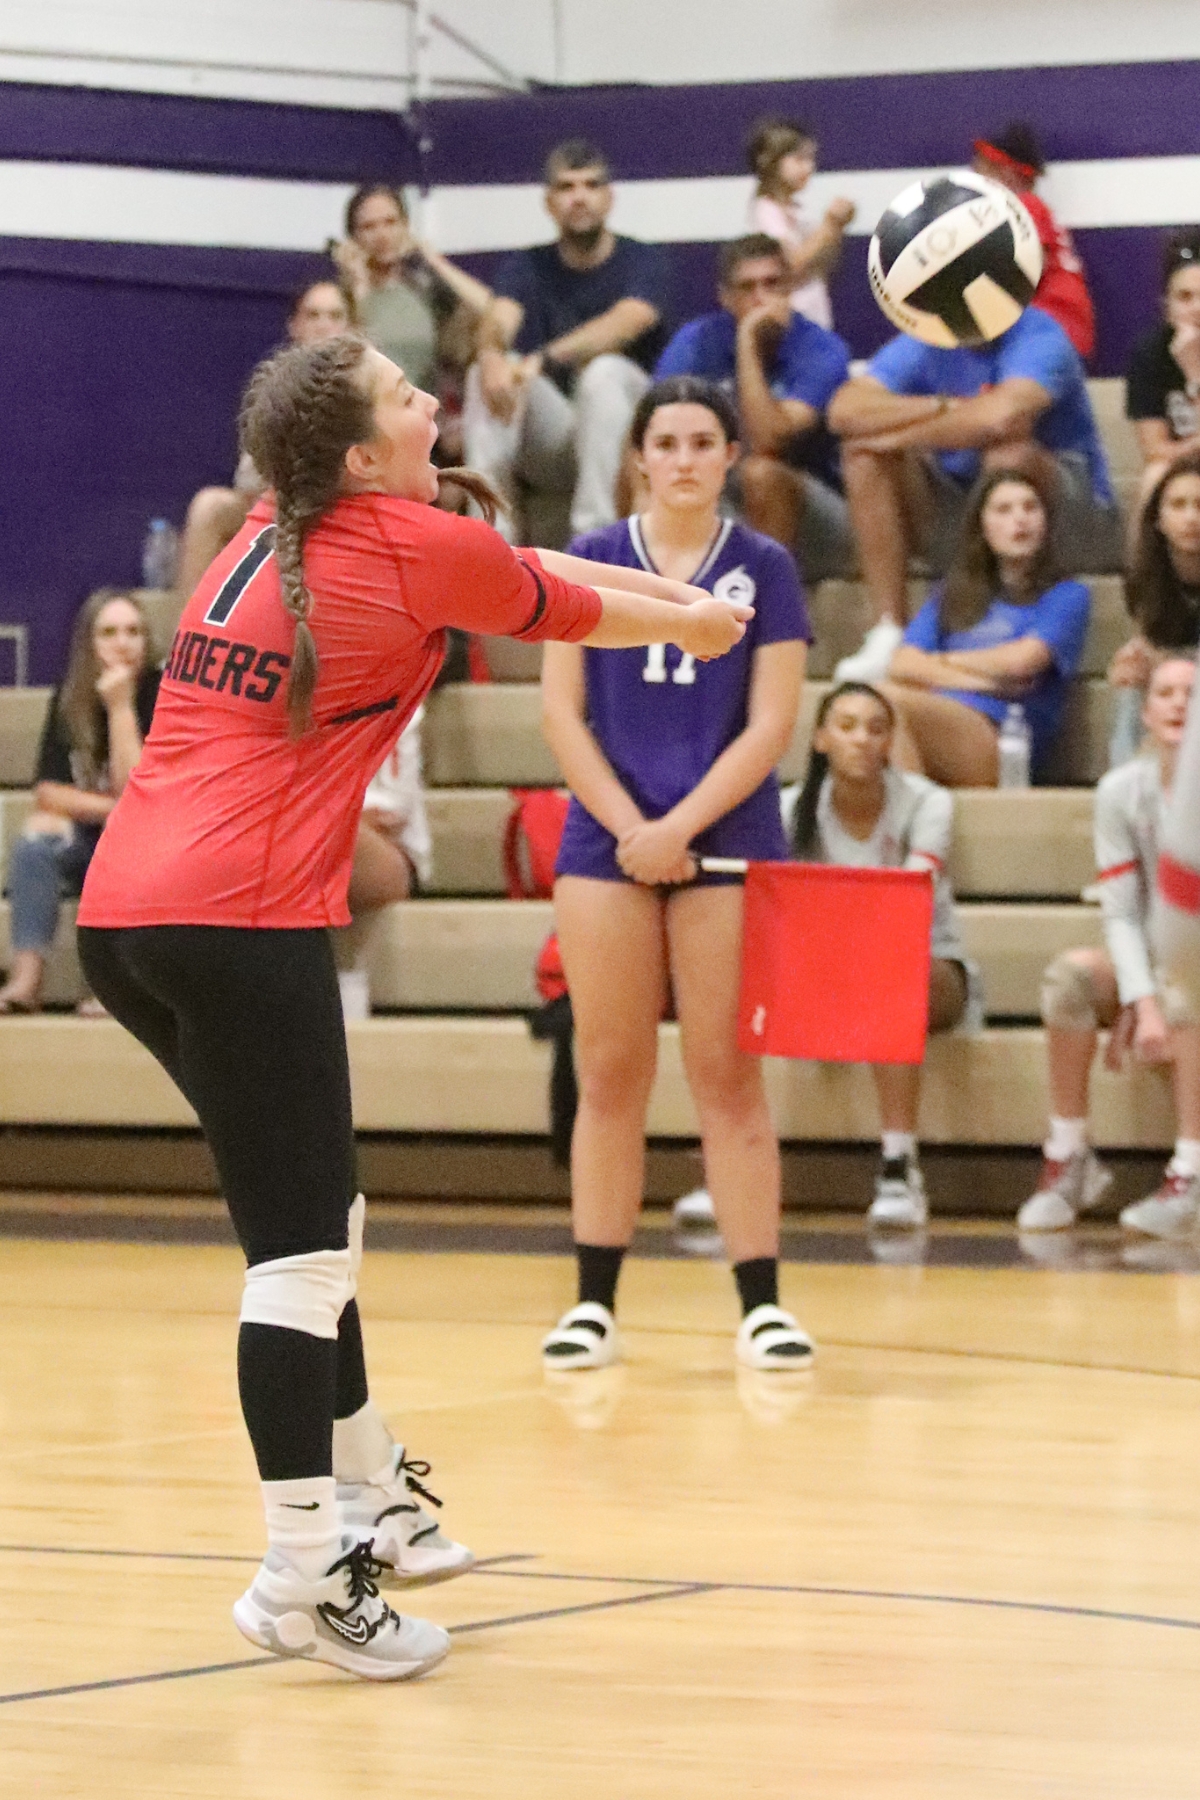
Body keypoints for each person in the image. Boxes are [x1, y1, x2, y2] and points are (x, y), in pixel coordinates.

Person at [74, 334, 750, 1681]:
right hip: (237, 918)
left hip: (126, 920)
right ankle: (302, 1578)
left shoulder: (272, 529)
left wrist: (684, 597)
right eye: (403, 395)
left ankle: (372, 1487)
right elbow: (563, 604)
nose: (430, 399)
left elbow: (524, 566)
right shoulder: (401, 543)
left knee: (313, 1223)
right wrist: (688, 623)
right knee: (299, 1258)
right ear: (361, 455)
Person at [539, 375, 813, 1374]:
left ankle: (761, 1306)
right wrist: (632, 830)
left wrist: (681, 827)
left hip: (726, 835)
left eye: (704, 441)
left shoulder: (766, 566)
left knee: (727, 1075)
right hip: (608, 841)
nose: (686, 458)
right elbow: (561, 712)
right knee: (610, 1071)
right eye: (667, 442)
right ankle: (593, 1304)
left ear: (731, 456)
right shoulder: (596, 558)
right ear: (639, 457)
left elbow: (773, 724)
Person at [827, 304, 1117, 682]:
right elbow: (843, 411)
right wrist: (945, 406)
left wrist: (898, 435)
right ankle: (888, 631)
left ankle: (1012, 607)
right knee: (864, 456)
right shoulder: (928, 338)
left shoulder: (1040, 335)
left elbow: (1001, 420)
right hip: (965, 497)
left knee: (1007, 453)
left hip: (1069, 510)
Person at [1019, 657, 1200, 1238]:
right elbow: (1120, 914)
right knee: (1069, 981)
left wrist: (1161, 990)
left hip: (1192, 966)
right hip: (1157, 960)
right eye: (1165, 693)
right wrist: (1142, 999)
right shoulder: (1121, 791)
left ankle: (1192, 1173)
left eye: (1191, 693)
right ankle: (1069, 1155)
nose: (1179, 703)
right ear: (1144, 712)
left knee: (1188, 995)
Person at [790, 683, 975, 1229]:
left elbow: (909, 904)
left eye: (876, 728)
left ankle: (899, 1166)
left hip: (930, 965)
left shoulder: (927, 802)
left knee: (892, 972)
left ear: (891, 741)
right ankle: (726, 1169)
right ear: (821, 739)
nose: (862, 739)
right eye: (847, 726)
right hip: (826, 975)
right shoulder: (790, 809)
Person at [464, 138, 669, 544]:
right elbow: (498, 320)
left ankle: (593, 542)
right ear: (549, 202)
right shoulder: (528, 265)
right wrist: (490, 357)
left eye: (592, 185)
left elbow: (626, 322)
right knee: (481, 374)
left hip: (626, 430)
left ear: (609, 198)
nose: (580, 197)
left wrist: (545, 357)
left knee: (603, 372)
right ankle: (489, 543)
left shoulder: (643, 260)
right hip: (559, 433)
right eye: (566, 187)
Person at [654, 235, 854, 578]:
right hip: (721, 488)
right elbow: (655, 428)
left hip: (815, 511)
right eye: (747, 288)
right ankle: (642, 587)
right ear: (725, 297)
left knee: (761, 473)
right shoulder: (696, 341)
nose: (761, 298)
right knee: (644, 461)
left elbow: (767, 442)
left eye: (772, 284)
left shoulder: (821, 349)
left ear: (789, 289)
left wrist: (747, 341)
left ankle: (766, 603)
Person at [0, 590, 158, 1014]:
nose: (123, 643)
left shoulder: (162, 695)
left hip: (147, 848)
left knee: (122, 847)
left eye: (134, 632)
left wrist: (121, 708)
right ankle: (26, 981)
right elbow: (48, 792)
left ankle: (114, 991)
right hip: (88, 839)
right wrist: (109, 812)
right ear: (89, 643)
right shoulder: (71, 697)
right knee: (35, 846)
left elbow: (137, 792)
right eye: (109, 632)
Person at [881, 467, 1090, 786]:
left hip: (1004, 737)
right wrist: (986, 682)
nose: (1020, 519)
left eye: (1030, 507)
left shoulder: (1067, 595)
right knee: (869, 708)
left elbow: (1021, 661)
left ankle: (913, 808)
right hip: (941, 719)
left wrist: (937, 663)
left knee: (885, 701)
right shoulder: (952, 593)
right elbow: (902, 664)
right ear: (982, 526)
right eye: (1004, 510)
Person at [173, 281, 355, 606]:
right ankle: (189, 628)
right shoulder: (272, 385)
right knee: (209, 506)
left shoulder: (366, 389)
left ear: (351, 326)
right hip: (271, 500)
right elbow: (248, 476)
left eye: (334, 315)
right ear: (294, 325)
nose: (324, 325)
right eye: (313, 315)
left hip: (339, 509)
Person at [330, 183, 493, 461]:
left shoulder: (424, 289)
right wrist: (359, 286)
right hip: (367, 428)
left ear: (405, 227)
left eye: (391, 223)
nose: (382, 235)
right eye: (369, 227)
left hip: (427, 428)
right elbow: (348, 360)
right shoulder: (339, 297)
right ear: (353, 236)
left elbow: (493, 312)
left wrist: (435, 261)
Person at [335, 708, 433, 1019]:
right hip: (324, 837)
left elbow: (392, 810)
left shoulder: (394, 693)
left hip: (392, 852)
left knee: (313, 834)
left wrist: (332, 814)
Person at [971, 122, 1095, 361]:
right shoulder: (1031, 208)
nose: (975, 172)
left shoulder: (1025, 205)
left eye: (984, 166)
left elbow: (1027, 270)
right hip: (1055, 327)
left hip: (1053, 324)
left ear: (1008, 172)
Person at [1108, 453, 1200, 764]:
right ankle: (1126, 774)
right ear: (1159, 519)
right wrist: (1136, 663)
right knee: (1131, 681)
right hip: (1180, 681)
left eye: (1199, 505)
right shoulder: (1146, 576)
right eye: (1178, 505)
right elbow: (1148, 642)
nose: (1191, 518)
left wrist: (1162, 665)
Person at [744, 118, 855, 330]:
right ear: (770, 161)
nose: (809, 167)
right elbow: (789, 266)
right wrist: (829, 225)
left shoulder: (798, 212)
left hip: (815, 321)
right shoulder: (765, 212)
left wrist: (837, 228)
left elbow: (823, 266)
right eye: (800, 159)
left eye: (811, 159)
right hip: (788, 326)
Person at [1125, 231, 1200, 508]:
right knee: (1154, 478)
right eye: (1185, 297)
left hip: (1183, 457)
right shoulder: (1150, 354)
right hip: (1183, 469)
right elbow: (1155, 451)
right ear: (1167, 307)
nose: (1197, 308)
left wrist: (1194, 371)